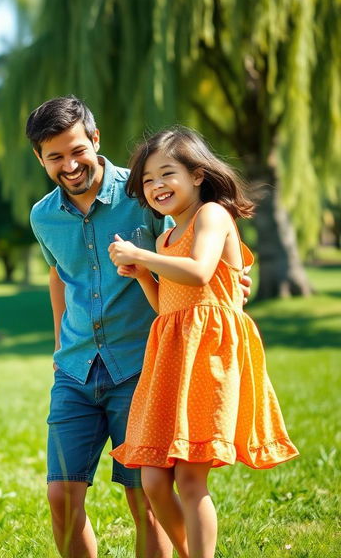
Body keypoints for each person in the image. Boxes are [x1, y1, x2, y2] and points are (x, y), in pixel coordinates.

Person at [26, 96, 251, 558]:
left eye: (77, 150)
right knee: (61, 495)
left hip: (143, 366)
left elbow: (198, 235)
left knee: (146, 498)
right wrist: (56, 347)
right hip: (75, 368)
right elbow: (58, 275)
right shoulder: (42, 216)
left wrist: (236, 274)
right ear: (40, 158)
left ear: (95, 139)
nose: (69, 165)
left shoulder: (146, 189)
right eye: (55, 157)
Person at [108, 126, 299, 558]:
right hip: (173, 354)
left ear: (197, 174)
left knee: (192, 480)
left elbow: (199, 272)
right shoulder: (164, 238)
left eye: (167, 174)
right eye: (148, 180)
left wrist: (140, 257)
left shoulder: (212, 214)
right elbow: (167, 307)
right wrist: (143, 276)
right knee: (154, 479)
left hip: (210, 355)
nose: (157, 186)